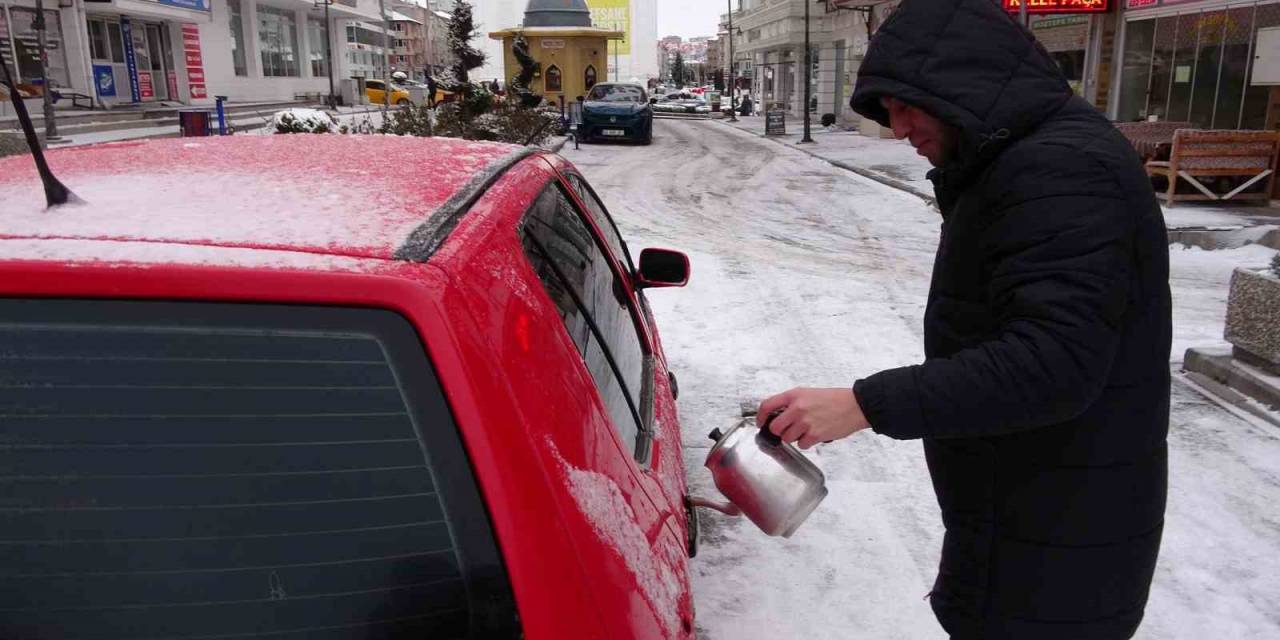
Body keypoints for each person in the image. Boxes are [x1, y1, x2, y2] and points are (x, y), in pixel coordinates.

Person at [757, 0, 1171, 638]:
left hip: (1059, 538)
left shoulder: (1060, 170)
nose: (897, 130)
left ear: (958, 85)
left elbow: (1054, 363)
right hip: (1032, 518)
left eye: (903, 106)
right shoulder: (1024, 160)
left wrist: (865, 405)